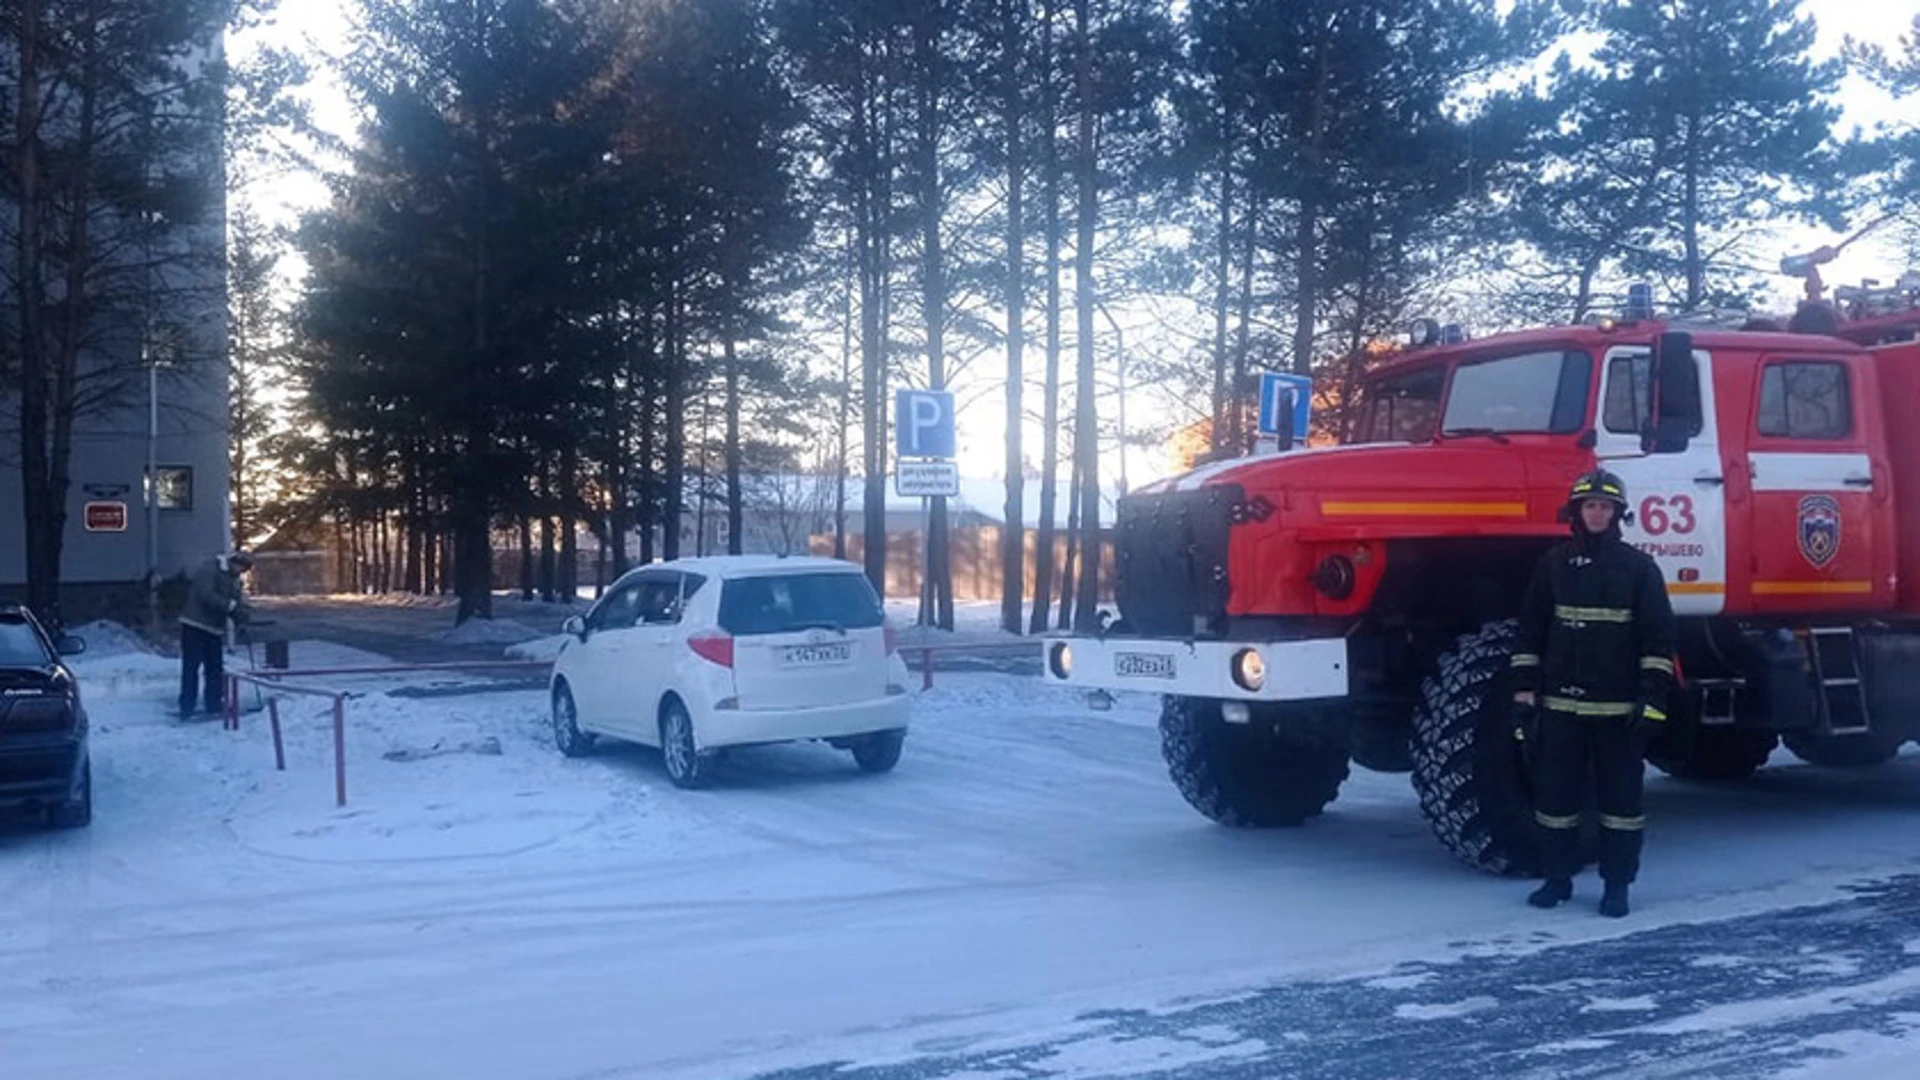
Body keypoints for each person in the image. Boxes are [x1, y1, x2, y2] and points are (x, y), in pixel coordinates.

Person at [1510, 470, 1675, 918]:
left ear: (1617, 514)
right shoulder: (1553, 565)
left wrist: (1653, 701)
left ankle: (1616, 886)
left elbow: (1658, 642)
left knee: (1621, 805)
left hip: (1619, 712)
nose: (1597, 513)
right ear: (1577, 513)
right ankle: (1557, 878)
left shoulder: (1639, 568)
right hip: (1560, 708)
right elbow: (1531, 633)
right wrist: (1524, 693)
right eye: (1590, 506)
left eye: (1605, 506)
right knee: (1555, 801)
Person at [179, 550, 254, 719]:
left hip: (214, 629)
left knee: (215, 669)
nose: (240, 572)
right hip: (194, 625)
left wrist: (240, 618)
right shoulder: (210, 569)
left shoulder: (235, 580)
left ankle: (213, 704)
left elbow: (235, 603)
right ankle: (186, 706)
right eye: (240, 568)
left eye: (243, 571)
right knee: (191, 667)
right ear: (234, 562)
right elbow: (205, 595)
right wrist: (231, 606)